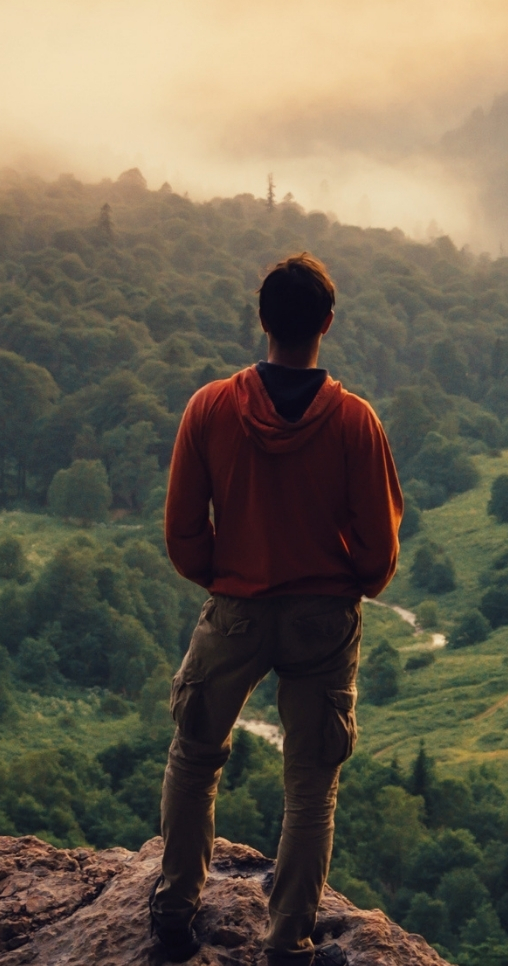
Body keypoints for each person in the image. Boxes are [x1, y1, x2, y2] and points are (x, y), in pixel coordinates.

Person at [152, 252, 405, 963]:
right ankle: (288, 940)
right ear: (327, 323)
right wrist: (346, 584)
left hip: (234, 607)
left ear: (262, 320)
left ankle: (173, 909)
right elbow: (380, 550)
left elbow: (180, 529)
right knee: (311, 786)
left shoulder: (210, 407)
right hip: (323, 618)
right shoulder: (355, 423)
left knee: (196, 756)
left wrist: (223, 576)